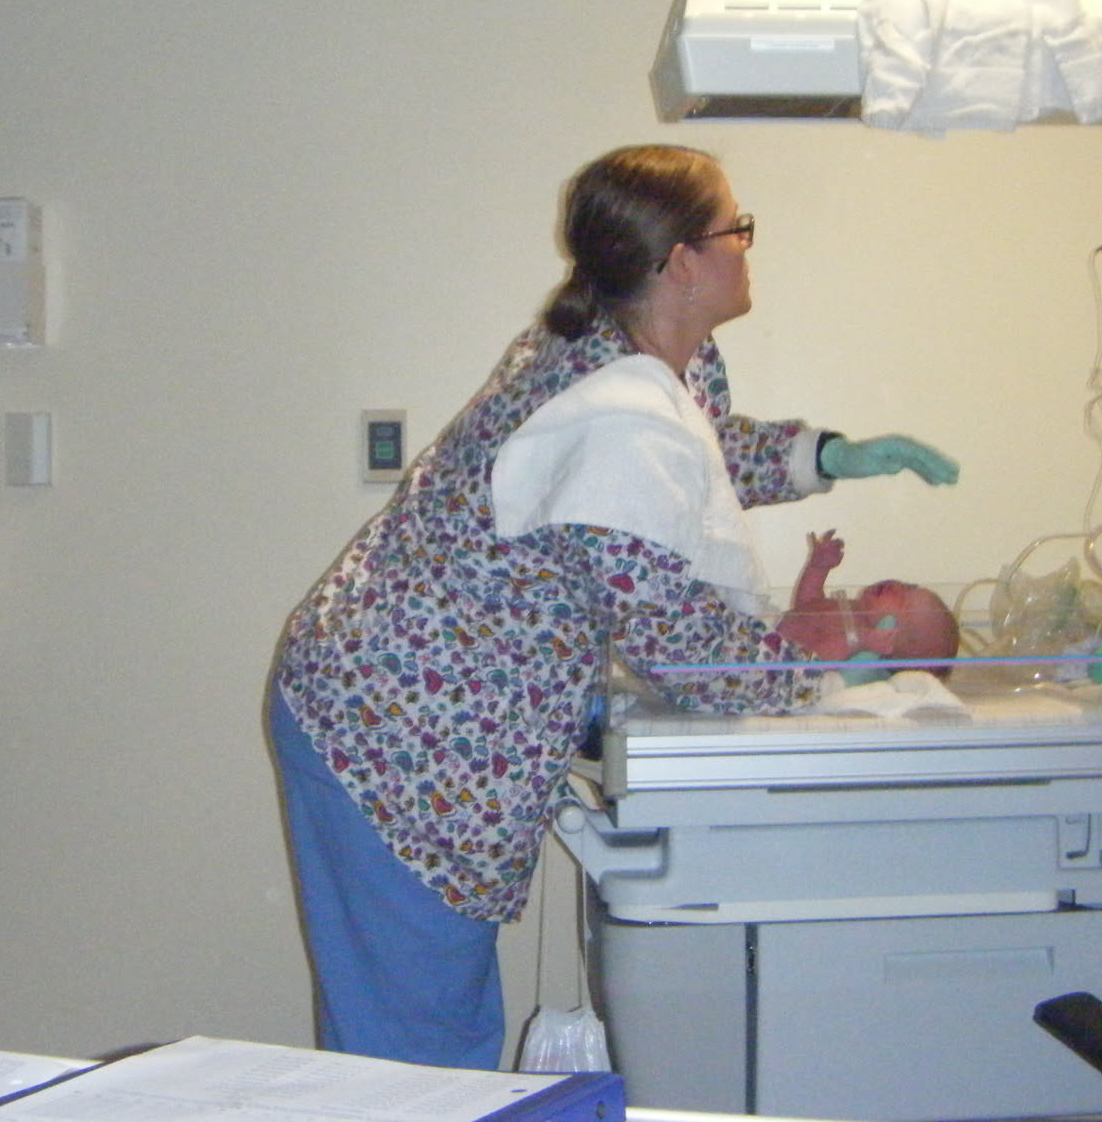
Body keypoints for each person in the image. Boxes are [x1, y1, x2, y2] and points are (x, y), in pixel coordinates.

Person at [267, 143, 958, 1070]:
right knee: (417, 1047)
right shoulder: (610, 410)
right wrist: (822, 685)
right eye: (737, 230)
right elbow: (677, 637)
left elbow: (695, 455)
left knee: (430, 1023)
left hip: (418, 703)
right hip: (398, 727)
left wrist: (823, 456)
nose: (749, 246)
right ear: (681, 263)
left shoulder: (635, 348)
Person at [777, 528, 962, 675]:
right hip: (767, 641)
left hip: (776, 668)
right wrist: (818, 568)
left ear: (887, 638)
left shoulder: (857, 648)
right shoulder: (848, 609)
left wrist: (856, 641)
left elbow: (813, 664)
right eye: (908, 586)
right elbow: (806, 606)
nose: (897, 587)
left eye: (903, 601)